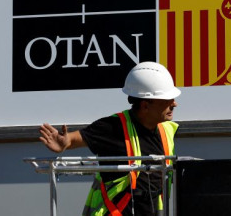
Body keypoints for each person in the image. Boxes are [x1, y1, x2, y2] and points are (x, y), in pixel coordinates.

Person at [39, 61, 181, 216]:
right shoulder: (113, 127)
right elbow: (73, 139)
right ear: (145, 105)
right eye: (167, 99)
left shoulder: (166, 130)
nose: (174, 103)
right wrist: (65, 143)